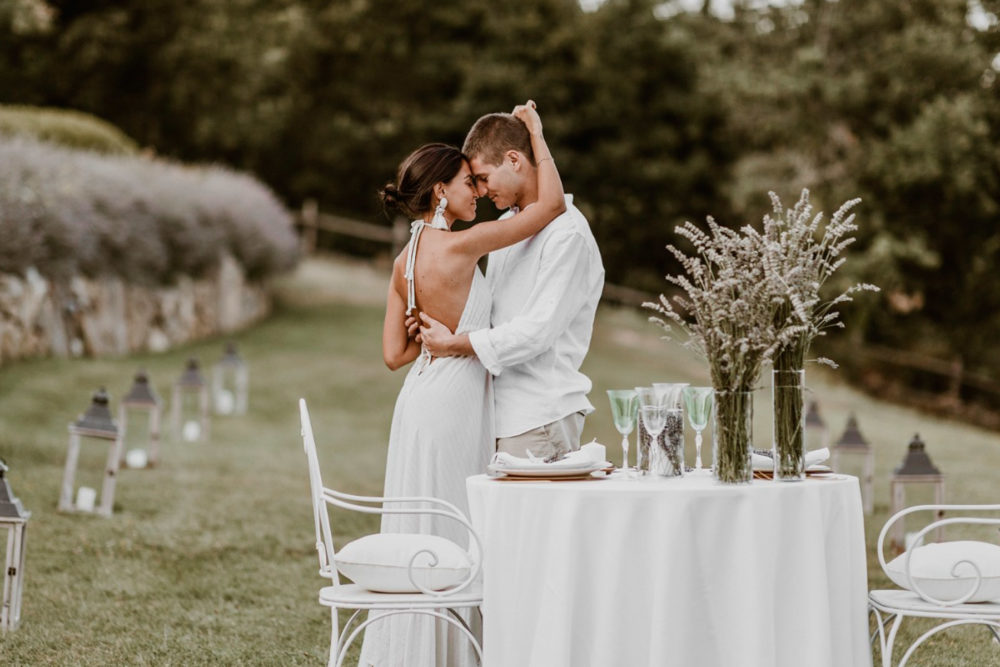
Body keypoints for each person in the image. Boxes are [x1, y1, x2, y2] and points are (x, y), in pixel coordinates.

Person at [360, 101, 564, 667]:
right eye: (467, 183)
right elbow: (550, 205)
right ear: (441, 193)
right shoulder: (459, 245)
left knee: (421, 526)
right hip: (452, 402)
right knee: (453, 529)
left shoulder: (405, 261)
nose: (476, 191)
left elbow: (392, 355)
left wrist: (416, 326)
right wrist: (538, 137)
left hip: (418, 399)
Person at [414, 110, 605, 460]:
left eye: (484, 177)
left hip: (538, 418)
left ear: (514, 160)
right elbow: (492, 315)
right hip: (498, 414)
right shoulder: (507, 226)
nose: (481, 191)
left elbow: (536, 332)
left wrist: (453, 344)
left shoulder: (567, 236)